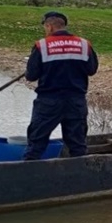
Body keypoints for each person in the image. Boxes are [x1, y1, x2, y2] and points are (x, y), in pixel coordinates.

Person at [22, 11, 99, 160]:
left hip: (48, 101)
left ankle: (27, 176)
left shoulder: (41, 46)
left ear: (49, 26)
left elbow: (31, 76)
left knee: (36, 142)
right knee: (77, 145)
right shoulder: (84, 45)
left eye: (45, 27)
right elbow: (91, 70)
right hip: (76, 101)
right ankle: (79, 176)